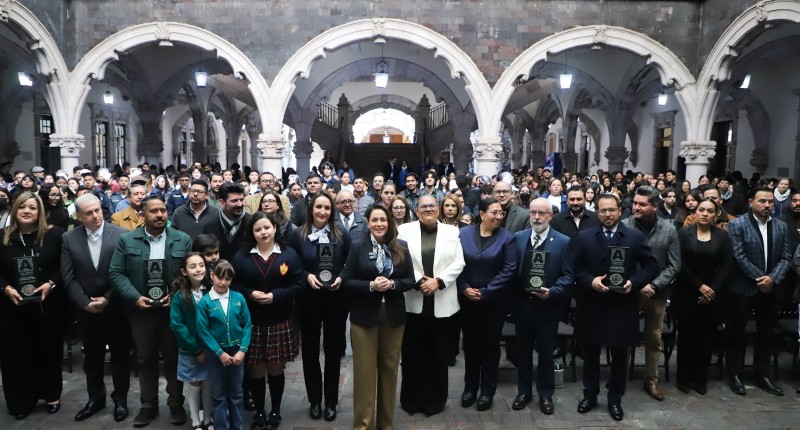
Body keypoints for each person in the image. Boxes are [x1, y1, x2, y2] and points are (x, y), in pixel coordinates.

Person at [572, 194, 659, 421]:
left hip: (621, 305)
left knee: (620, 355)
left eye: (612, 210)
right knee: (590, 354)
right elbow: (574, 268)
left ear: (620, 211)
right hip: (592, 303)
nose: (607, 214)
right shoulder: (584, 236)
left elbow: (651, 266)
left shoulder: (634, 236)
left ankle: (615, 399)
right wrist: (590, 281)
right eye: (603, 210)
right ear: (597, 212)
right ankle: (590, 395)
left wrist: (635, 282)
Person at [109, 195, 191, 427]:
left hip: (172, 310)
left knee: (174, 358)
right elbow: (116, 272)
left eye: (163, 210)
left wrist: (174, 297)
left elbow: (192, 272)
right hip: (141, 311)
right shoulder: (127, 240)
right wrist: (135, 298)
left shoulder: (182, 239)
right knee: (145, 359)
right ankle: (148, 405)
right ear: (142, 215)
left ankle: (176, 404)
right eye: (154, 211)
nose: (160, 215)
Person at [340, 204, 414, 430]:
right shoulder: (358, 246)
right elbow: (347, 279)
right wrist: (370, 285)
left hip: (393, 316)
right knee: (364, 373)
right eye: (375, 220)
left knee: (389, 370)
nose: (379, 224)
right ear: (368, 223)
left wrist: (392, 284)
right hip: (364, 317)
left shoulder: (401, 246)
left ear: (389, 222)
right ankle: (363, 425)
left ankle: (386, 424)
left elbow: (410, 280)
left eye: (383, 219)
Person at [62, 193, 132, 422]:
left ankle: (120, 399)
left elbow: (125, 272)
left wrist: (108, 299)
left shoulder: (121, 234)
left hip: (114, 306)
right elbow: (68, 276)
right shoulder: (69, 238)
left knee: (120, 355)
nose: (95, 216)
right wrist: (84, 303)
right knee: (92, 356)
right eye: (89, 213)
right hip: (86, 310)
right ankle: (95, 398)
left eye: (97, 210)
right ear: (78, 216)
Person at [231, 212, 304, 430]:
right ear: (251, 233)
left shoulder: (288, 255)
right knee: (255, 369)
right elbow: (232, 286)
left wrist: (276, 296)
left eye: (267, 228)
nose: (263, 232)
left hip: (279, 320)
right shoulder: (242, 257)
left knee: (275, 368)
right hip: (251, 322)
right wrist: (250, 293)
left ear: (275, 228)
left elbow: (300, 285)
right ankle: (260, 411)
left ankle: (275, 411)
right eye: (258, 229)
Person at [0, 192, 67, 419]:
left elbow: (64, 267)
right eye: (22, 207)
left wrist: (51, 284)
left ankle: (51, 395)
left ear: (40, 212)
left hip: (47, 307)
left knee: (49, 351)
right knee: (15, 354)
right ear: (15, 211)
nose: (27, 211)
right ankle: (21, 400)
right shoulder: (2, 237)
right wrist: (6, 289)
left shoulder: (55, 235)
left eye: (32, 207)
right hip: (12, 308)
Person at [396, 195, 465, 416]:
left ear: (438, 209)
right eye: (423, 206)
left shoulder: (452, 231)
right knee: (412, 354)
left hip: (442, 302)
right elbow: (400, 258)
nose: (428, 209)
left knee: (437, 355)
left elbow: (459, 261)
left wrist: (439, 281)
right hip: (413, 301)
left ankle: (435, 401)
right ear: (416, 210)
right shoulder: (405, 230)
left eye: (432, 206)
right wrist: (419, 280)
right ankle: (411, 400)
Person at [289, 192, 351, 422]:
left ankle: (331, 402)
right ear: (311, 209)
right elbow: (292, 263)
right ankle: (315, 400)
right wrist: (305, 276)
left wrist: (342, 278)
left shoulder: (340, 233)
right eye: (318, 207)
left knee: (333, 352)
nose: (322, 212)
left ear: (332, 211)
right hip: (309, 299)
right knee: (311, 351)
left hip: (335, 299)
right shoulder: (299, 235)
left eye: (327, 207)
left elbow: (349, 262)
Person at [726, 186, 792, 396]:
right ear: (751, 202)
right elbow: (738, 255)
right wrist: (760, 279)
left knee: (766, 333)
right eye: (762, 201)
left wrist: (772, 279)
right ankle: (734, 374)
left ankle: (762, 374)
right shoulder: (737, 224)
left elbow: (786, 257)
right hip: (744, 287)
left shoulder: (780, 226)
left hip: (771, 289)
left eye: (770, 202)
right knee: (738, 332)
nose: (767, 206)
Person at [511, 198, 573, 415]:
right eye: (533, 213)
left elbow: (568, 275)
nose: (536, 217)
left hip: (548, 307)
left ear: (550, 216)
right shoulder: (518, 238)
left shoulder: (563, 241)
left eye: (541, 213)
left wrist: (553, 292)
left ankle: (546, 394)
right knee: (523, 352)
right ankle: (524, 392)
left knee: (547, 353)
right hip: (523, 306)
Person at [457, 198, 518, 411]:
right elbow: (456, 263)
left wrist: (486, 292)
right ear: (482, 214)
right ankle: (470, 387)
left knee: (490, 345)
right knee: (471, 344)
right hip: (468, 300)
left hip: (494, 302)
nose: (499, 216)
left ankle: (487, 390)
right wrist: (464, 287)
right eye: (494, 212)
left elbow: (509, 269)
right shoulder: (463, 234)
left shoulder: (507, 238)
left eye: (501, 213)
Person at [621, 186, 680, 401]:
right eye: (634, 203)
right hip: (629, 290)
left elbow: (674, 265)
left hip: (656, 292)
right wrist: (635, 284)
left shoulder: (669, 229)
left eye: (641, 204)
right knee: (625, 334)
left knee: (653, 338)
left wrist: (654, 285)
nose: (635, 207)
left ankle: (651, 380)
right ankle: (621, 377)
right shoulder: (625, 226)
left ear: (654, 206)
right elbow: (620, 261)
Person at [674, 197, 733, 395]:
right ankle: (683, 378)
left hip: (713, 295)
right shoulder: (683, 233)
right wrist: (700, 286)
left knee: (706, 338)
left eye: (709, 210)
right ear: (695, 212)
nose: (705, 213)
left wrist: (712, 289)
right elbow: (680, 263)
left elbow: (726, 265)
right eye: (701, 209)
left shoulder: (723, 236)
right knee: (686, 337)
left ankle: (700, 379)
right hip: (688, 291)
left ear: (716, 214)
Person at [197, 260, 252, 430]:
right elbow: (203, 331)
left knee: (236, 394)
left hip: (236, 353)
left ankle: (238, 427)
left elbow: (247, 325)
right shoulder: (205, 302)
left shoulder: (238, 298)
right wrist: (219, 353)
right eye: (220, 278)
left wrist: (242, 351)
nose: (223, 282)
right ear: (212, 276)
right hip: (216, 355)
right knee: (219, 395)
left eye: (227, 279)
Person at [169, 253, 214, 430]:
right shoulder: (180, 296)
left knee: (209, 383)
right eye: (193, 266)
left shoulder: (211, 291)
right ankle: (196, 420)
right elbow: (177, 325)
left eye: (201, 265)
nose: (198, 269)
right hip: (191, 350)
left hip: (210, 348)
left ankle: (208, 419)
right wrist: (197, 349)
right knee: (195, 383)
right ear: (184, 271)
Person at [203, 183, 251, 261]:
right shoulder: (210, 225)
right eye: (234, 201)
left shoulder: (252, 222)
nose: (240, 204)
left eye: (241, 200)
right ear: (222, 202)